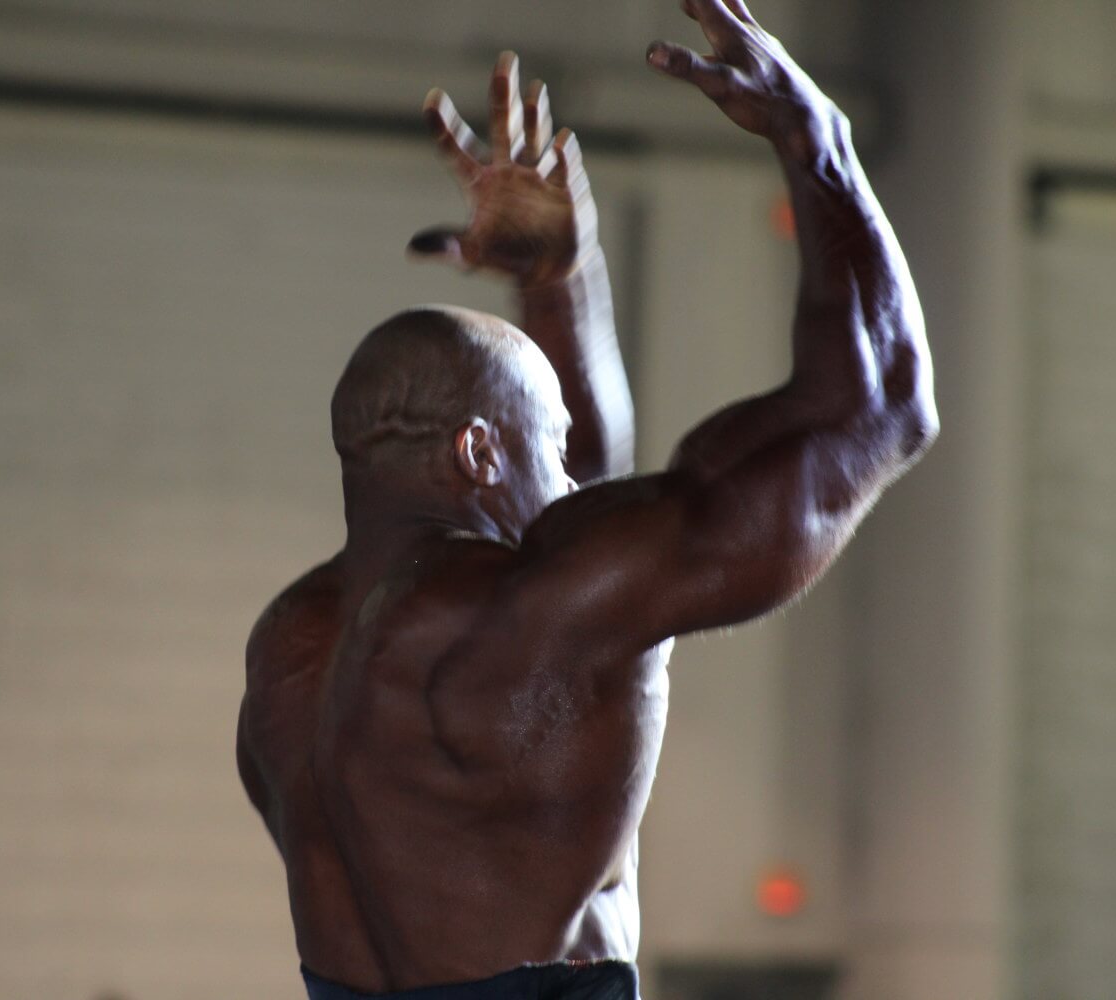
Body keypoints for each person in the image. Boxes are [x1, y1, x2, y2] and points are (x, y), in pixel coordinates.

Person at [237, 2, 938, 997]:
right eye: (551, 445)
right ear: (478, 452)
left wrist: (560, 282)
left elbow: (571, 526)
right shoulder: (526, 615)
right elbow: (885, 406)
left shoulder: (291, 653)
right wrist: (819, 142)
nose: (572, 475)